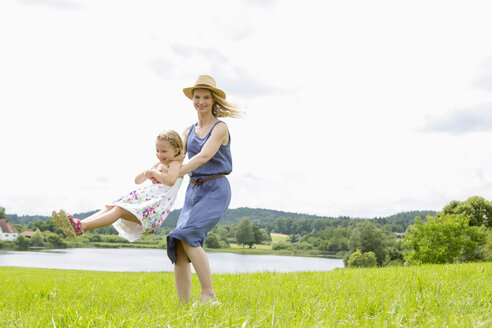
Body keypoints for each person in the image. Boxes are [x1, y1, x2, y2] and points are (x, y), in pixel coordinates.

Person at [167, 75, 242, 304]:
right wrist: (159, 171)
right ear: (192, 99)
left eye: (206, 97)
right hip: (193, 191)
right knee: (178, 243)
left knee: (189, 235)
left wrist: (178, 172)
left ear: (213, 100)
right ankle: (183, 306)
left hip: (216, 188)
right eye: (197, 97)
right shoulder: (188, 130)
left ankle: (209, 295)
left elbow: (204, 156)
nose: (201, 101)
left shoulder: (220, 128)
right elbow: (176, 157)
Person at [52, 130, 184, 242]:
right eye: (157, 150)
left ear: (176, 151)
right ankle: (78, 224)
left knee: (119, 210)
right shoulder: (158, 165)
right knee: (110, 206)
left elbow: (171, 180)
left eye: (164, 151)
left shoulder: (175, 163)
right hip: (146, 206)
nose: (159, 155)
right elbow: (137, 180)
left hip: (154, 212)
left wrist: (155, 173)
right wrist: (147, 173)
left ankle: (82, 226)